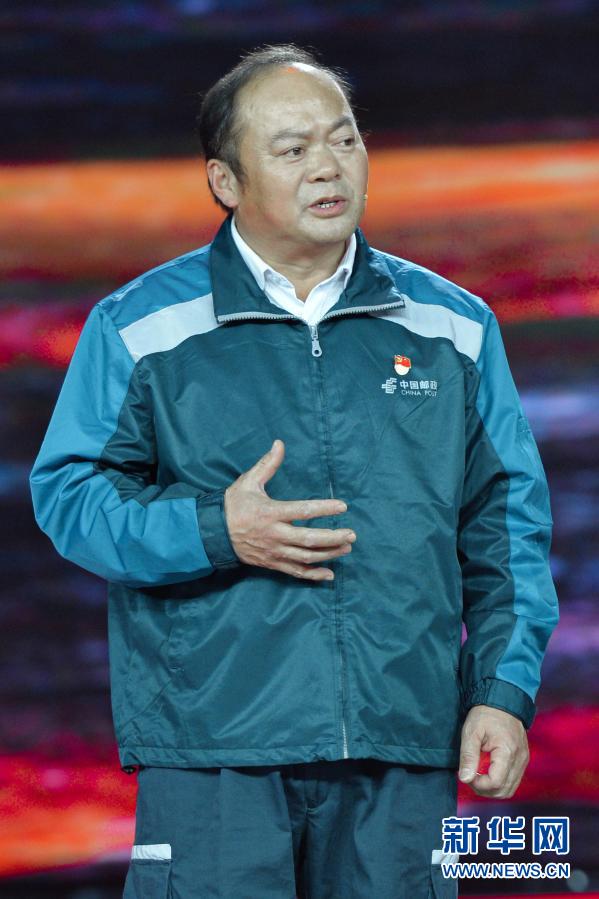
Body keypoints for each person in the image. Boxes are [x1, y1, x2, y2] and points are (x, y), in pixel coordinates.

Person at [29, 43, 559, 899]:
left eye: (344, 139)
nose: (328, 166)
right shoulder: (141, 327)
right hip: (215, 749)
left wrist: (500, 689)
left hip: (400, 748)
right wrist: (216, 529)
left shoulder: (450, 326)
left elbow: (504, 524)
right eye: (292, 148)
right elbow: (71, 496)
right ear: (224, 180)